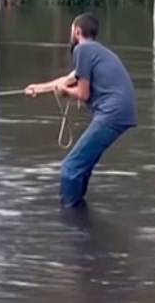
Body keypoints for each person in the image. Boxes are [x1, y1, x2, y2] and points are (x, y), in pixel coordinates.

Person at [24, 12, 138, 208]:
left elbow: (83, 93)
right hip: (122, 113)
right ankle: (80, 220)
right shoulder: (95, 51)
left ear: (77, 32)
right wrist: (39, 88)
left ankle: (70, 215)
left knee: (70, 167)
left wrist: (66, 92)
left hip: (112, 113)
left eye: (71, 31)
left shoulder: (82, 50)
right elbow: (69, 80)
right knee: (83, 167)